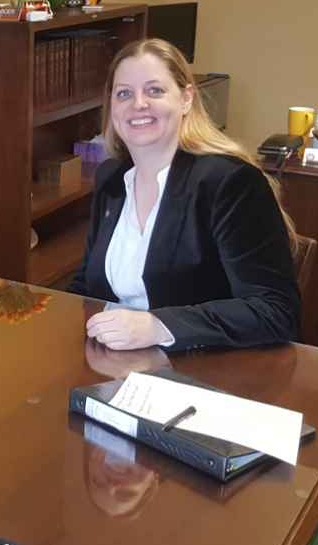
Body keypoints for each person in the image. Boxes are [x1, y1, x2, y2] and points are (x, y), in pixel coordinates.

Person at [68, 38, 300, 351]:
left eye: (154, 90)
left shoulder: (229, 183)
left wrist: (159, 327)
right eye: (124, 93)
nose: (138, 104)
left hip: (209, 370)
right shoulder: (112, 178)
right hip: (116, 364)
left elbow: (276, 311)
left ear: (186, 99)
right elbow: (87, 285)